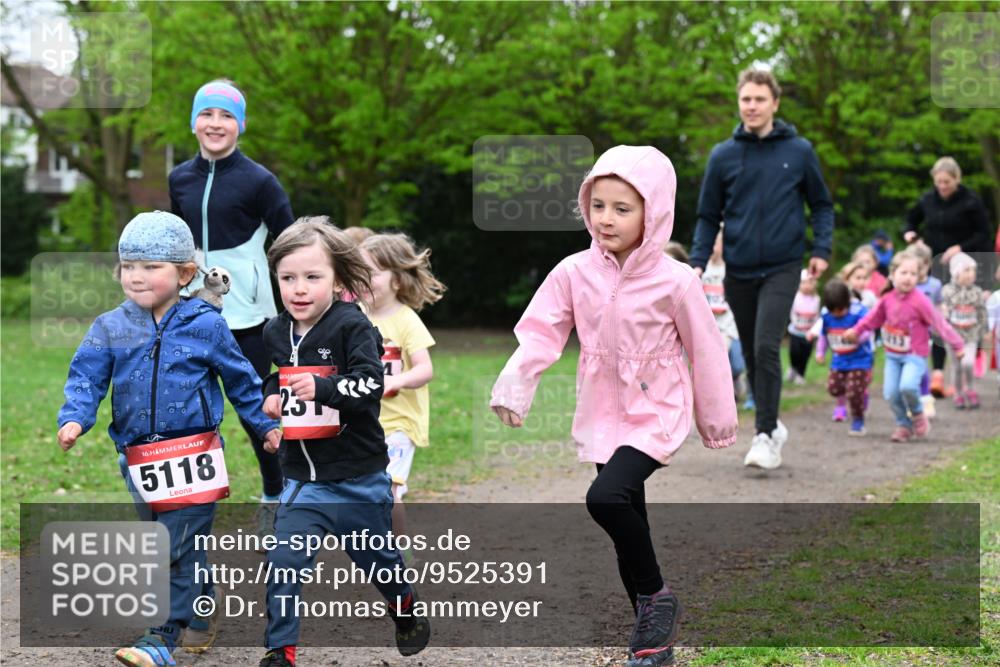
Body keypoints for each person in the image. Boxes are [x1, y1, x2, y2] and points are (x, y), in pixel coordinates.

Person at [491, 145, 738, 667]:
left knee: (606, 498)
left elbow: (707, 351)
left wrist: (716, 421)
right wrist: (514, 387)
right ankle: (654, 645)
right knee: (631, 523)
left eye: (622, 209)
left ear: (654, 213)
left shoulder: (677, 281)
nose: (605, 218)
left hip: (655, 412)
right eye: (597, 205)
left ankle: (658, 599)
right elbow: (540, 333)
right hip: (602, 413)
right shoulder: (573, 271)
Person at [56, 211, 281, 667]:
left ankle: (160, 638)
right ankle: (200, 613)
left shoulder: (206, 324)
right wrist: (76, 418)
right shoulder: (110, 327)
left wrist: (265, 424)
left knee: (170, 544)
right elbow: (86, 376)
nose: (136, 277)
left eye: (150, 267)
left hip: (194, 454)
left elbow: (241, 379)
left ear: (183, 273)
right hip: (138, 458)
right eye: (129, 266)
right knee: (175, 542)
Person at [258, 218, 429, 667]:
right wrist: (273, 399)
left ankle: (404, 605)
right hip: (301, 480)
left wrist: (326, 389)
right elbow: (277, 377)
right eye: (288, 278)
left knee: (380, 563)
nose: (299, 289)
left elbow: (371, 384)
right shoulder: (275, 331)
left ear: (337, 281)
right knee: (284, 564)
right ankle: (281, 651)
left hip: (356, 476)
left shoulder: (353, 327)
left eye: (313, 277)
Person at [169, 79, 295, 548]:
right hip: (192, 314)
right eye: (207, 114)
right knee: (188, 411)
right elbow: (175, 243)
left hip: (250, 319)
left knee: (255, 413)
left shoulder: (260, 181)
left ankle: (275, 498)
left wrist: (301, 304)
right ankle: (189, 507)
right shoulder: (179, 178)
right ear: (195, 122)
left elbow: (291, 244)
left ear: (239, 125)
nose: (215, 124)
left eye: (226, 116)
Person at [689, 68, 833, 471]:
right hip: (739, 268)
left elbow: (820, 205)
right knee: (752, 352)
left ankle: (765, 435)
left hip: (783, 266)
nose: (751, 106)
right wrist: (697, 262)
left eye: (759, 99)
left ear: (775, 103)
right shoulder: (723, 156)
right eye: (745, 99)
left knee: (768, 345)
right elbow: (707, 215)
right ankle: (771, 424)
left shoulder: (799, 151)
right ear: (739, 103)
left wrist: (821, 247)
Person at [360, 232, 445, 543]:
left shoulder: (406, 320)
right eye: (359, 271)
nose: (364, 279)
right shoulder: (355, 316)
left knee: (389, 488)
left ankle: (400, 551)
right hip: (365, 420)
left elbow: (425, 369)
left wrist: (395, 380)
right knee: (366, 488)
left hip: (399, 422)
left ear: (397, 280)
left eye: (373, 272)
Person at [844, 250, 965, 442]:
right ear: (892, 274)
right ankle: (903, 424)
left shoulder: (920, 301)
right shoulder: (887, 299)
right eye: (904, 273)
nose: (908, 278)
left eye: (913, 274)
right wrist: (856, 331)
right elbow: (872, 319)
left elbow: (938, 322)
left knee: (908, 386)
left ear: (918, 277)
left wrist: (957, 344)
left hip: (915, 355)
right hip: (893, 355)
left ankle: (917, 414)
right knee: (890, 392)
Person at [903, 156, 994, 276]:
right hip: (933, 262)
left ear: (957, 179)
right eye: (938, 182)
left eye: (947, 182)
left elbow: (983, 234)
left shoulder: (971, 201)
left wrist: (959, 248)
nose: (942, 186)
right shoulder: (927, 199)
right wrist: (910, 233)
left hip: (964, 264)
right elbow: (910, 221)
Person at [810, 279, 874, 436]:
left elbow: (869, 330)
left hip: (859, 360)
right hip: (839, 360)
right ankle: (859, 392)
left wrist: (857, 336)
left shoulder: (858, 312)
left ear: (848, 302)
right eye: (834, 310)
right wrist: (820, 352)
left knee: (853, 392)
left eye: (841, 309)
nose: (837, 314)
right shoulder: (826, 315)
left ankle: (858, 421)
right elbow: (824, 336)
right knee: (834, 388)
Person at [701, 229, 751, 404]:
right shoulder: (703, 268)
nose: (715, 246)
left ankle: (737, 379)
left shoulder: (731, 269)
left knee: (737, 364)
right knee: (715, 361)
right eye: (713, 242)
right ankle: (722, 397)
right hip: (710, 324)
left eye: (718, 242)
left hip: (729, 324)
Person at [940, 253, 989, 409]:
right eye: (966, 270)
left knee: (968, 363)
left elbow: (982, 312)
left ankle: (970, 389)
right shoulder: (947, 291)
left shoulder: (977, 292)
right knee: (957, 366)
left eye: (973, 270)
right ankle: (958, 393)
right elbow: (941, 313)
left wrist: (985, 330)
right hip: (953, 337)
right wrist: (944, 314)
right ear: (956, 273)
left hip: (971, 335)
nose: (970, 274)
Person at [786, 270, 821, 386]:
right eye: (804, 283)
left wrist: (813, 329)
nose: (807, 286)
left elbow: (817, 315)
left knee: (805, 354)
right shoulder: (795, 297)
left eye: (810, 283)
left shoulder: (816, 299)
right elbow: (791, 313)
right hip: (796, 331)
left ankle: (801, 374)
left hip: (808, 333)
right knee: (794, 352)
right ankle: (793, 368)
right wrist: (796, 324)